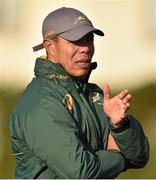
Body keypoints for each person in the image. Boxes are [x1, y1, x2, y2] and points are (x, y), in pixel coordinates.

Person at [9, 7, 149, 179]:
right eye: (75, 41)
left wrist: (120, 127)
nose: (85, 48)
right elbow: (81, 172)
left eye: (89, 40)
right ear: (50, 47)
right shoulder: (40, 102)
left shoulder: (94, 95)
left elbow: (140, 157)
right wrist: (118, 156)